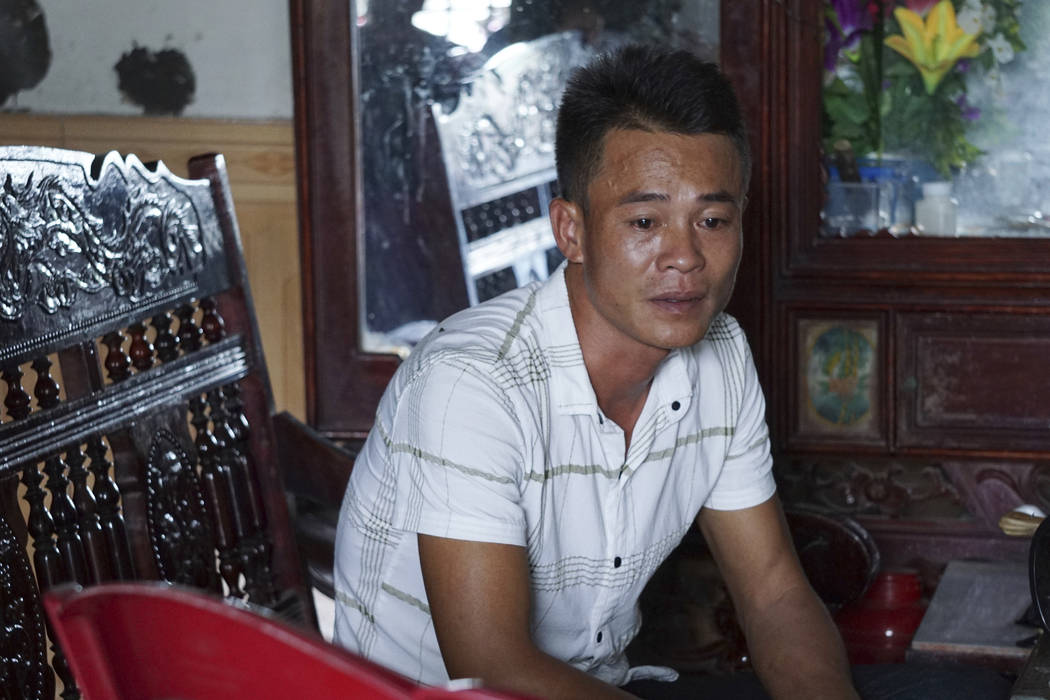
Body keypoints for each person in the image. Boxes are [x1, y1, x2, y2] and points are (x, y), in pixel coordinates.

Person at [332, 46, 1006, 700]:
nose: (684, 256)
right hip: (460, 698)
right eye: (646, 220)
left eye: (712, 219)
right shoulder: (473, 382)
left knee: (963, 692)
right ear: (571, 230)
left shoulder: (720, 355)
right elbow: (492, 669)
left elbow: (772, 593)